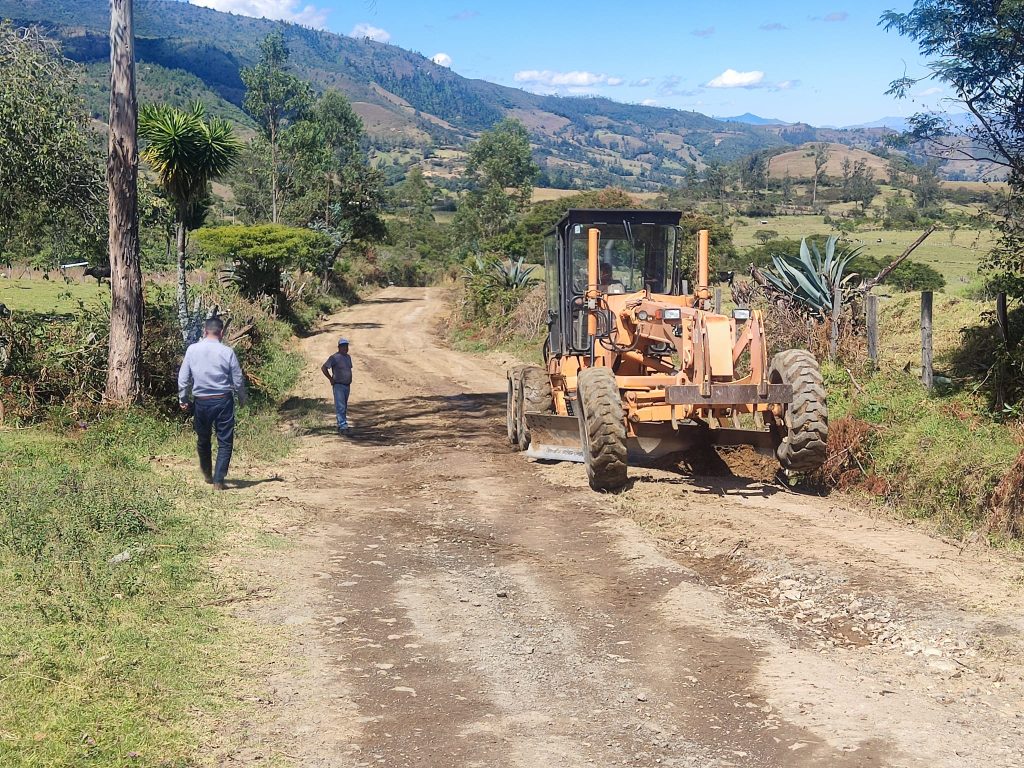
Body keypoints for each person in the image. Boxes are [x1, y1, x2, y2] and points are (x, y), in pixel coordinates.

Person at [178, 317, 247, 490]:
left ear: (204, 331)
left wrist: (183, 399)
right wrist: (242, 398)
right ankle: (218, 480)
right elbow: (237, 379)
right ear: (221, 332)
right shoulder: (227, 352)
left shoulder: (192, 350)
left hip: (201, 401)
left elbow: (183, 378)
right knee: (225, 441)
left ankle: (207, 473)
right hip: (223, 400)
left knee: (203, 439)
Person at [321, 338, 353, 435]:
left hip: (347, 385)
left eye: (346, 346)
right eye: (343, 346)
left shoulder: (348, 357)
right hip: (338, 385)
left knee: (344, 406)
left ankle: (341, 424)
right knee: (340, 406)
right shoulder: (334, 357)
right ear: (339, 347)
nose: (345, 348)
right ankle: (342, 426)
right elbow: (324, 368)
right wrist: (330, 378)